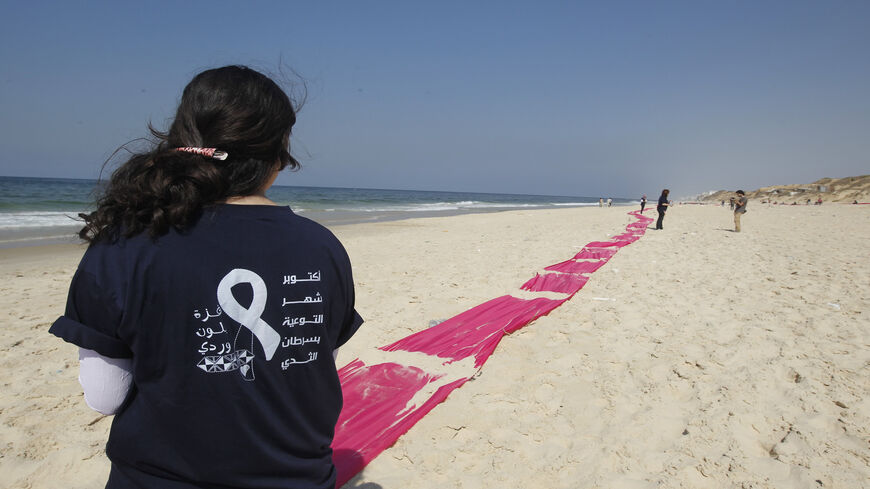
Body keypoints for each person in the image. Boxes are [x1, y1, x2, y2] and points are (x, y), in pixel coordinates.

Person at [49, 65, 364, 489]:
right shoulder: (322, 248)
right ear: (278, 151)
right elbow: (308, 375)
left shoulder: (127, 244)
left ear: (182, 140)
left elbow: (104, 397)